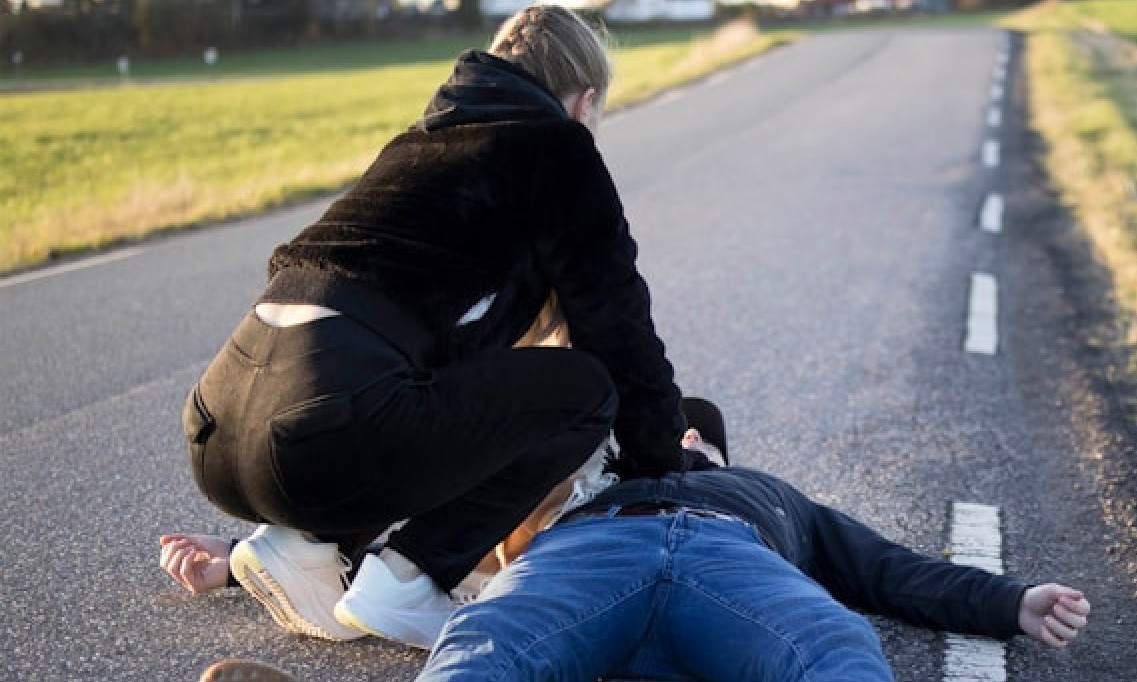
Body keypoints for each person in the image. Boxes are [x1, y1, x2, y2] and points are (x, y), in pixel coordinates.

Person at [179, 3, 690, 647]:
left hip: (218, 430)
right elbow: (620, 329)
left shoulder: (415, 148)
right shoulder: (556, 145)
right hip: (325, 433)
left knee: (427, 390)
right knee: (586, 388)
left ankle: (300, 543)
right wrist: (660, 467)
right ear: (585, 100)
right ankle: (410, 577)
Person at [168, 404, 1090, 682]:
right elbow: (431, 503)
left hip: (733, 568)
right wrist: (237, 566)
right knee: (483, 645)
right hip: (589, 557)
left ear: (721, 450)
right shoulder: (588, 483)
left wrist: (1008, 601)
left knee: (838, 649)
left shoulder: (772, 499)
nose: (683, 438)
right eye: (671, 431)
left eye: (698, 432)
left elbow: (887, 571)